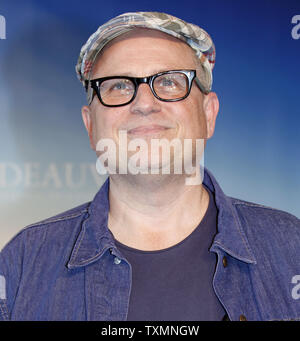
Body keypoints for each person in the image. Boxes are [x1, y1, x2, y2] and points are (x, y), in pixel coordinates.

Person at [0, 11, 299, 322]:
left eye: (169, 81)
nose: (144, 103)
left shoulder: (291, 250)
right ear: (90, 126)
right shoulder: (22, 265)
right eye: (118, 86)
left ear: (209, 115)